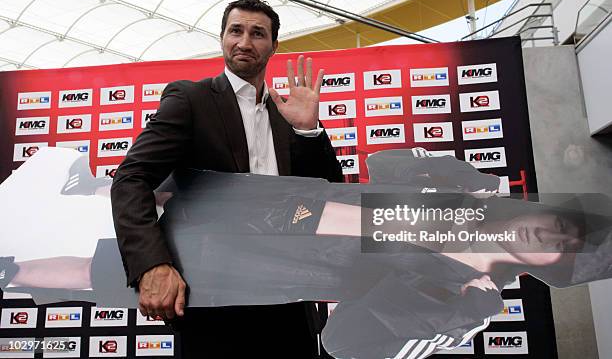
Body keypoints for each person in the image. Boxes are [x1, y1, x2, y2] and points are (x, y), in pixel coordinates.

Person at [2, 148, 611, 359]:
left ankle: (10, 272)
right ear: (543, 208)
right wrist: (449, 176)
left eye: (563, 248)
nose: (547, 236)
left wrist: (445, 309)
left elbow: (347, 342)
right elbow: (384, 167)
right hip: (279, 205)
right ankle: (84, 189)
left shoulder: (469, 302)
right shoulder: (466, 196)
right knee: (159, 192)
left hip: (260, 268)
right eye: (560, 224)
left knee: (104, 271)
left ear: (553, 269)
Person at [109, 0, 343, 357]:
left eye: (258, 34)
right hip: (215, 306)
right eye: (236, 30)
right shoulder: (191, 99)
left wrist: (309, 131)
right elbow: (131, 178)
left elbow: (328, 196)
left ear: (274, 46)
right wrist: (153, 265)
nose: (245, 42)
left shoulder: (290, 112)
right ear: (222, 37)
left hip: (289, 304)